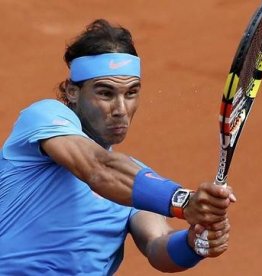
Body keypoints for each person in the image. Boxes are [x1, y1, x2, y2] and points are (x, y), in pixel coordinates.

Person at [0, 19, 236, 275]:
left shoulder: (136, 182)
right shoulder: (44, 117)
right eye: (105, 93)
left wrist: (194, 243)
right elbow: (98, 168)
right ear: (72, 91)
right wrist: (184, 201)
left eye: (131, 93)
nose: (120, 110)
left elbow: (157, 247)